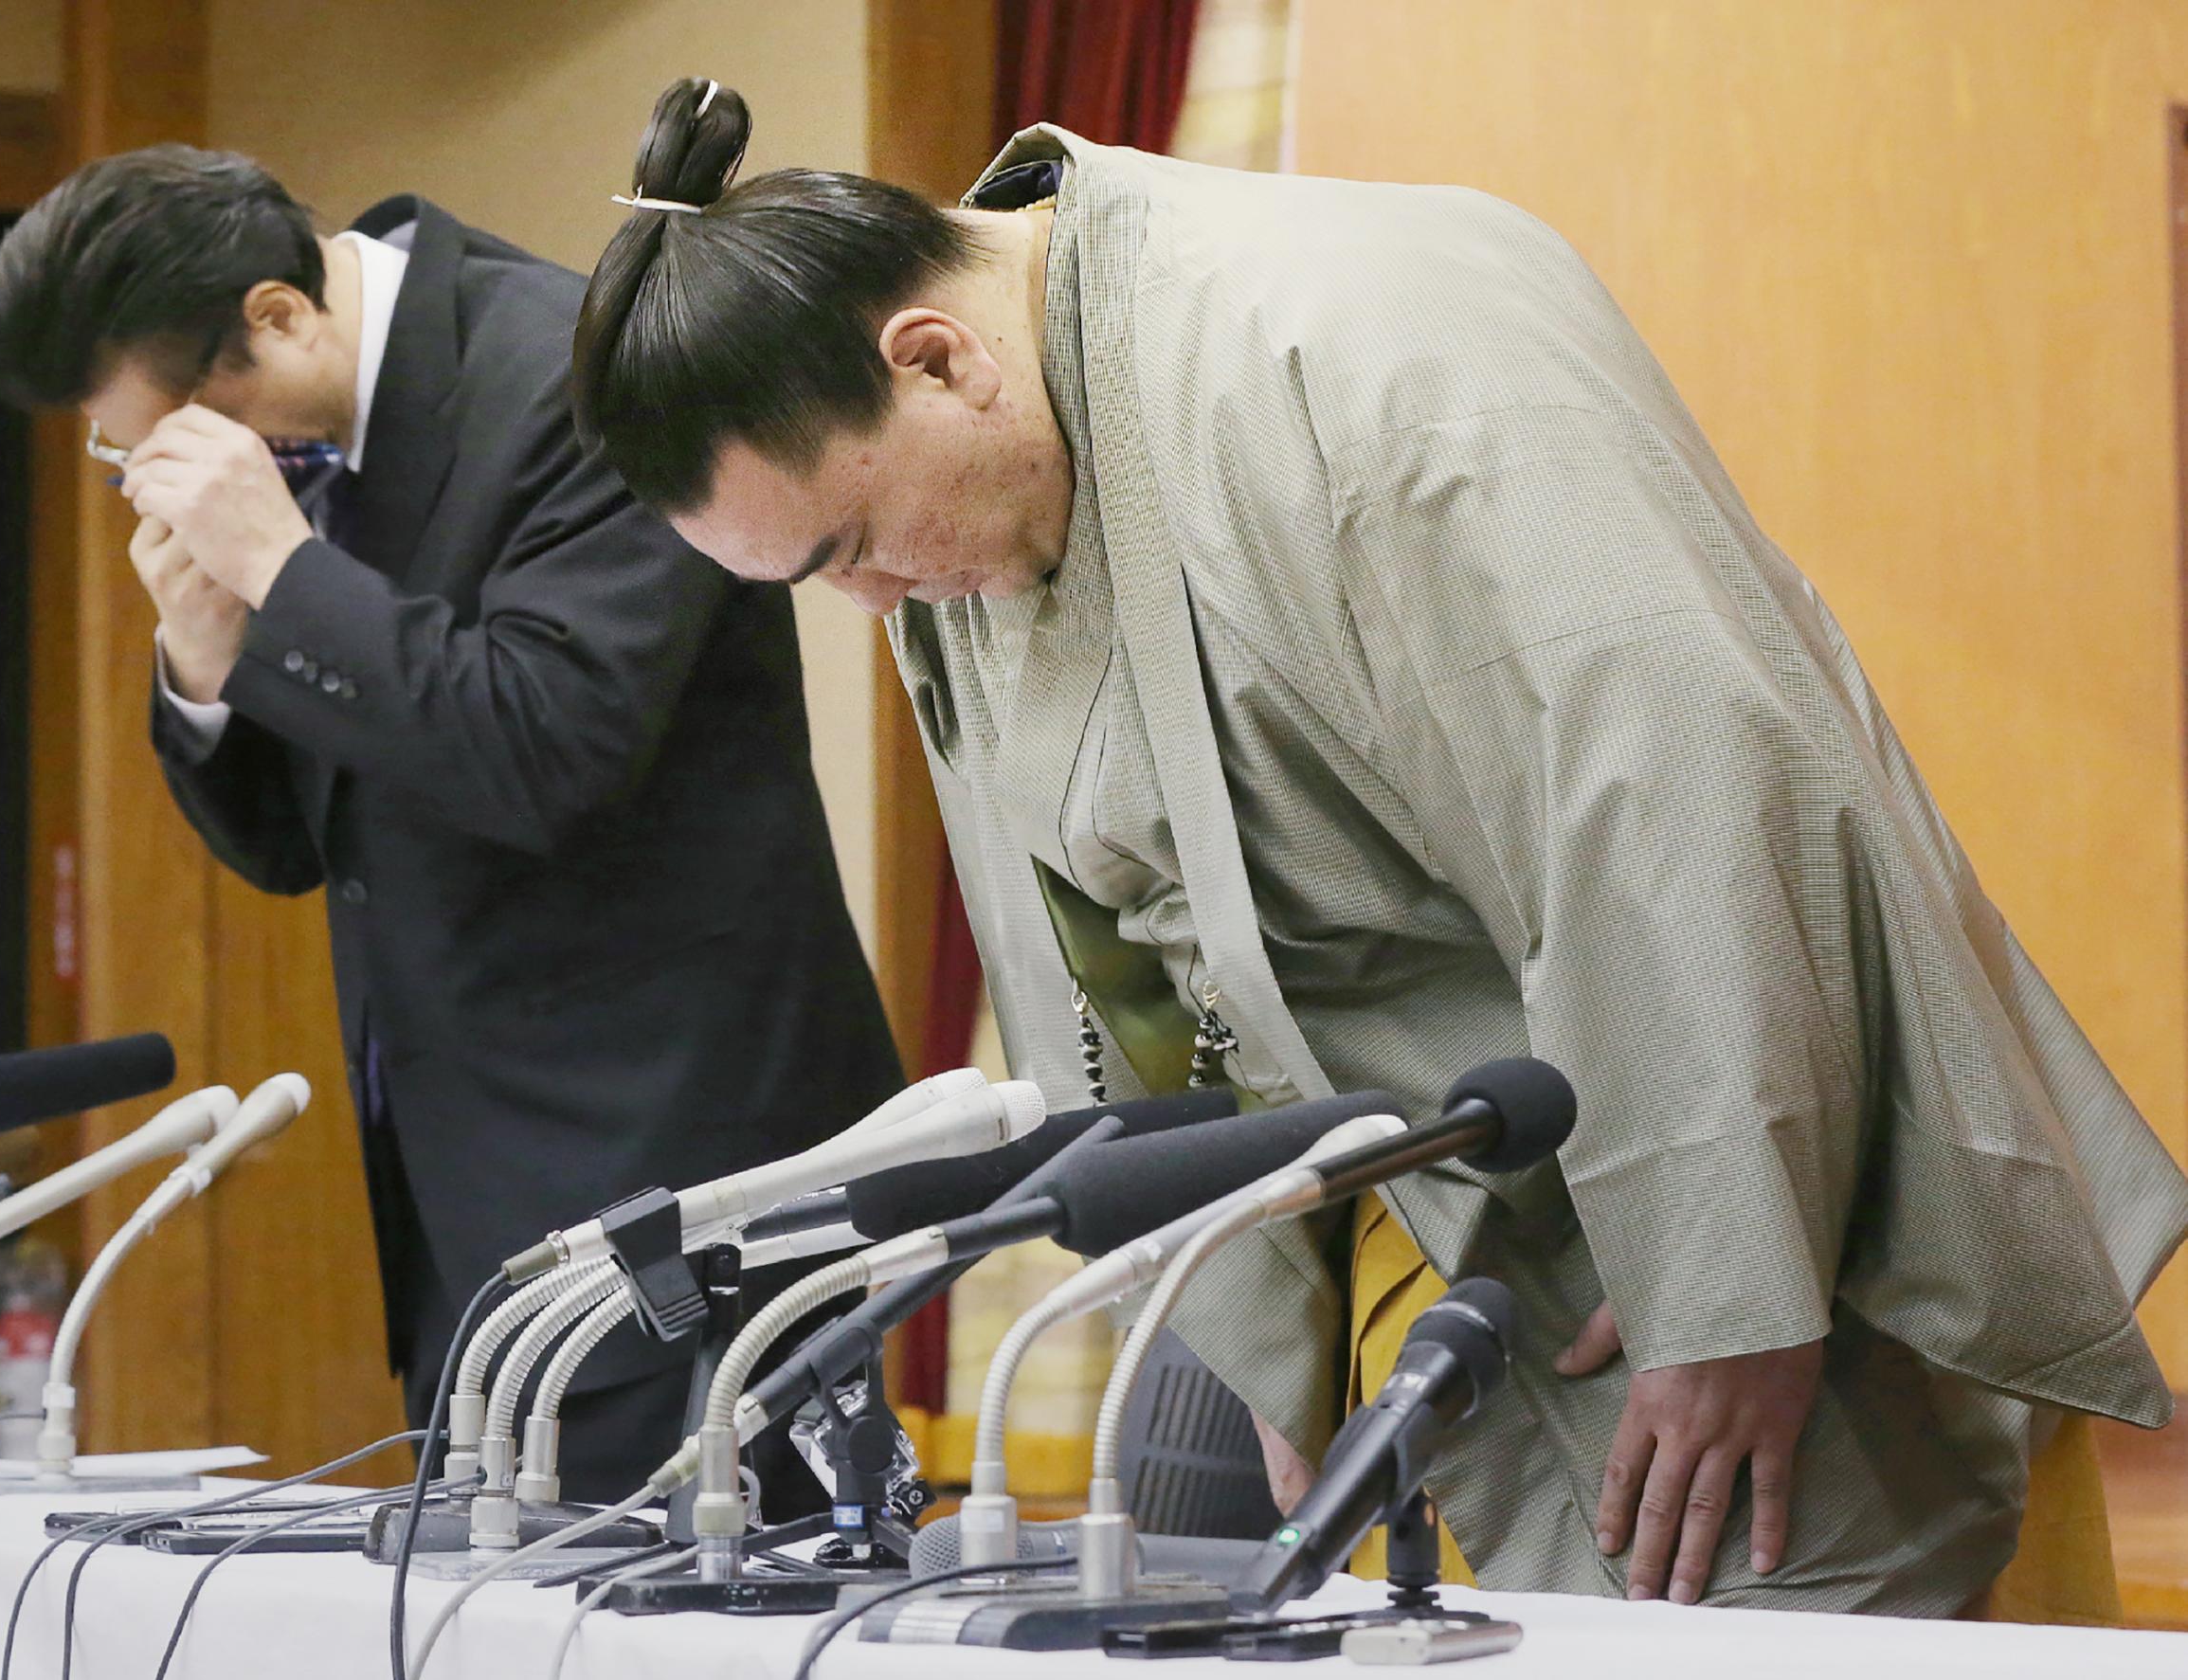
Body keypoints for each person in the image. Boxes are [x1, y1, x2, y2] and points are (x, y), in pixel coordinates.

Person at [566, 78, 2188, 1616]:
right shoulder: (981, 498)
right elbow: (1101, 951)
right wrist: (1267, 1336)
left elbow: (1678, 779)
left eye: (850, 547)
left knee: (1776, 1575)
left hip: (1711, 1186)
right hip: (1412, 1247)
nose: (870, 602)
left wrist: (1728, 1281)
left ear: (934, 359)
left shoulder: (1359, 345)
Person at [0, 144, 904, 1503]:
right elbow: (297, 849)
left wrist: (283, 571)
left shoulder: (586, 377)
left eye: (164, 431)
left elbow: (546, 748)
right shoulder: (301, 446)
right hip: (468, 1205)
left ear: (278, 317)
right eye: (125, 447)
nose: (153, 475)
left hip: (688, 1178)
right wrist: (205, 662)